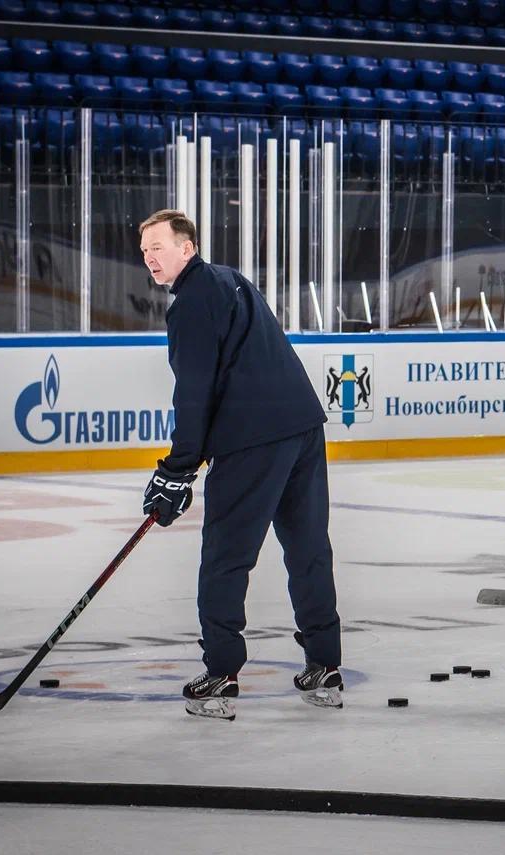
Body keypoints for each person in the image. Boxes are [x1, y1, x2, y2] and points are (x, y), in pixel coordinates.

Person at [137, 209, 342, 722]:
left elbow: (194, 393)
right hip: (302, 427)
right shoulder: (231, 281)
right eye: (144, 251)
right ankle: (326, 665)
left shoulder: (189, 304)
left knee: (226, 557)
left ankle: (221, 676)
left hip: (252, 441)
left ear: (187, 247)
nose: (150, 258)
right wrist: (182, 465)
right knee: (308, 549)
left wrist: (178, 467)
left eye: (158, 246)